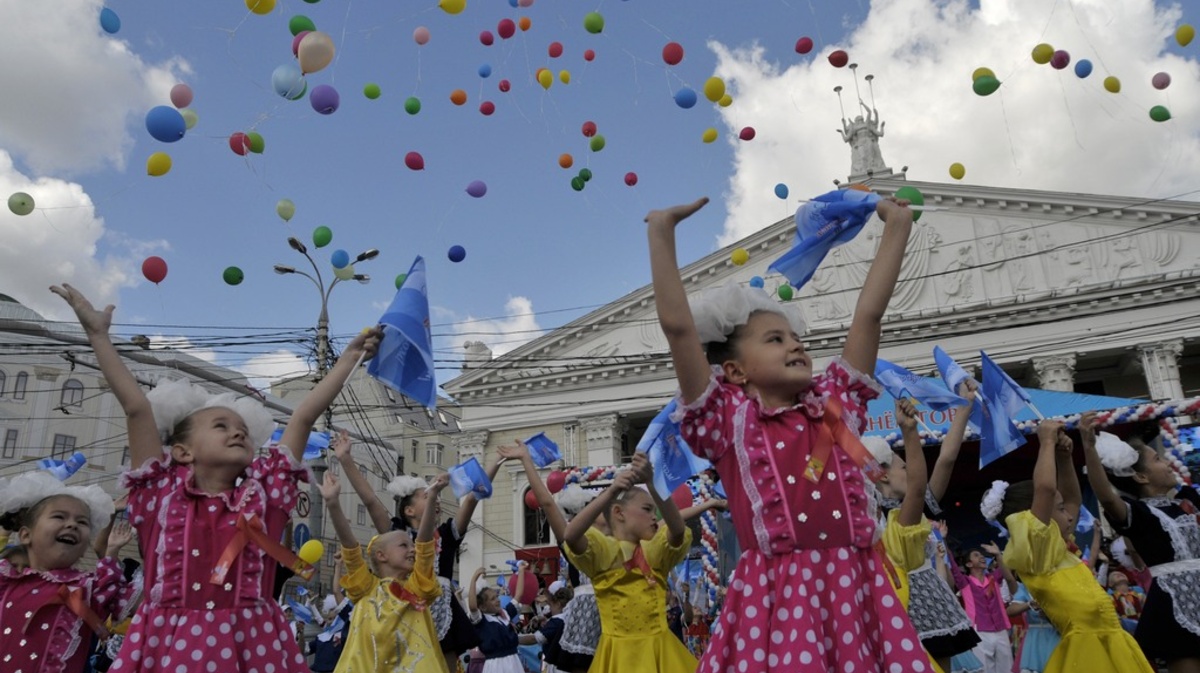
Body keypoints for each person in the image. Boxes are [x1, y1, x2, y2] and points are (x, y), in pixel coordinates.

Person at [647, 194, 929, 671]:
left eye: (797, 339)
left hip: (855, 583)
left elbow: (868, 315)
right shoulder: (729, 419)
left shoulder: (836, 403)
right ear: (734, 371)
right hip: (778, 594)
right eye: (775, 340)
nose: (795, 345)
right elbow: (679, 330)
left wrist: (896, 227)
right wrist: (661, 231)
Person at [50, 283, 380, 673]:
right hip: (165, 646)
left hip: (253, 648)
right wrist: (98, 336)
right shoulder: (160, 494)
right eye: (220, 426)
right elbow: (137, 408)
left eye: (242, 428)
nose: (237, 432)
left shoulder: (266, 494)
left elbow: (304, 416)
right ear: (182, 452)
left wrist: (349, 360)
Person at [980, 420, 1154, 673]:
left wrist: (1064, 458)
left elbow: (1072, 498)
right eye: (1060, 510)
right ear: (1033, 517)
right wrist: (1046, 442)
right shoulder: (1037, 555)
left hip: (1114, 644)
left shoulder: (1060, 549)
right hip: (1087, 655)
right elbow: (1046, 489)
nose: (1071, 516)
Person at [335, 436, 501, 672]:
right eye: (427, 495)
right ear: (409, 509)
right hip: (402, 604)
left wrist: (497, 461)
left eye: (436, 494)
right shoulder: (395, 533)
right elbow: (370, 500)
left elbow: (474, 496)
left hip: (440, 602)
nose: (436, 498)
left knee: (444, 662)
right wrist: (345, 459)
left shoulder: (446, 533)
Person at [1079, 412, 1199, 673]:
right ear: (1141, 477)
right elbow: (1108, 498)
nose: (1166, 462)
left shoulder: (1187, 502)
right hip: (1174, 602)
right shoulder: (1139, 514)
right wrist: (1089, 447)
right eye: (1157, 459)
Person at [562, 454, 696, 672]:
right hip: (618, 657)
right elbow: (571, 535)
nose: (654, 517)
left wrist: (653, 483)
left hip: (660, 652)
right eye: (646, 509)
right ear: (618, 513)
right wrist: (612, 491)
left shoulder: (654, 552)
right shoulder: (604, 553)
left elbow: (678, 529)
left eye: (655, 511)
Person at [0, 471, 136, 673]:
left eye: (82, 522)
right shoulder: (5, 579)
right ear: (26, 535)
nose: (72, 524)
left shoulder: (92, 588)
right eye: (59, 516)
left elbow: (155, 599)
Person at [322, 469, 448, 673]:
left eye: (412, 545)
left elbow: (425, 545)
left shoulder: (416, 587)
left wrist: (432, 496)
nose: (413, 549)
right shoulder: (365, 587)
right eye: (403, 545)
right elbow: (351, 548)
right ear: (381, 555)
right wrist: (333, 504)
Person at [948, 540, 1016, 673]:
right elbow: (952, 567)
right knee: (985, 669)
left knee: (1007, 667)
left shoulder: (993, 579)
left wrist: (998, 554)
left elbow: (1005, 568)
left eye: (981, 555)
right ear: (969, 564)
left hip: (1000, 629)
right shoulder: (965, 582)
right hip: (980, 630)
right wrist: (943, 539)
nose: (981, 557)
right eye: (976, 555)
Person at [467, 567, 523, 673]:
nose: (497, 600)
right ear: (482, 607)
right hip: (495, 665)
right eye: (492, 599)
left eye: (496, 596)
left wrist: (521, 571)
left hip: (514, 662)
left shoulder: (505, 614)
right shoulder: (481, 621)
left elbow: (518, 596)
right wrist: (474, 579)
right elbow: (473, 607)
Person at [519, 580, 572, 673]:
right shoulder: (570, 617)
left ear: (558, 604)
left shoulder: (556, 622)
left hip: (557, 666)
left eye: (550, 605)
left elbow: (534, 639)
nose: (550, 608)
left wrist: (512, 639)